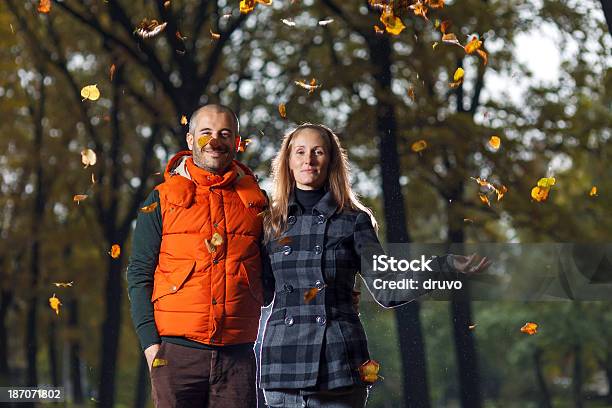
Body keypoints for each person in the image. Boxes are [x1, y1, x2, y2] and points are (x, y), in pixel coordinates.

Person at [257, 123, 491, 407]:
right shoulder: (269, 222)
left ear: (331, 160)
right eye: (300, 152)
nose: (309, 159)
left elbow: (387, 289)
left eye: (318, 151)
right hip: (283, 366)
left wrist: (445, 265)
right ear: (288, 161)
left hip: (337, 365)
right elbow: (261, 292)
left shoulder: (354, 220)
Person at [126, 104, 268, 407]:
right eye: (205, 133)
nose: (214, 141)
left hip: (238, 357)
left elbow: (274, 274)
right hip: (175, 355)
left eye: (224, 134)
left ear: (237, 143)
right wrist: (152, 347)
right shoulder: (161, 200)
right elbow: (139, 273)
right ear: (190, 140)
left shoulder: (258, 204)